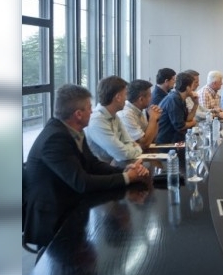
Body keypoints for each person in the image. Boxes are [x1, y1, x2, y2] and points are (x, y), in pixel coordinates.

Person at [23, 84, 149, 247]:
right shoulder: (55, 138)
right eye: (89, 108)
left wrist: (123, 170)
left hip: (71, 206)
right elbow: (82, 183)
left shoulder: (72, 129)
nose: (92, 111)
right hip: (53, 219)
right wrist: (127, 178)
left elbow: (92, 164)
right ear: (78, 114)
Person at [85, 76, 143, 164]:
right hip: (98, 170)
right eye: (125, 94)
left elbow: (130, 142)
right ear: (118, 97)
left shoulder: (114, 116)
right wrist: (137, 149)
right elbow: (121, 154)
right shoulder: (96, 121)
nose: (126, 99)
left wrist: (131, 147)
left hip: (112, 166)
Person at [118, 79, 162, 150]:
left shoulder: (140, 109)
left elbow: (153, 138)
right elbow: (145, 144)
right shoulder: (126, 114)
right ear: (141, 99)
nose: (152, 98)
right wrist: (153, 118)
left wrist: (156, 119)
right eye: (150, 95)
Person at [156, 72, 199, 143]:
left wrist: (196, 104)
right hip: (168, 143)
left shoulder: (180, 97)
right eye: (192, 86)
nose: (193, 90)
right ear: (188, 88)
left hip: (176, 140)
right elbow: (180, 126)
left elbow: (187, 119)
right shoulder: (174, 99)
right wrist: (194, 122)